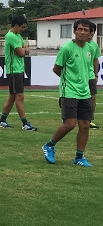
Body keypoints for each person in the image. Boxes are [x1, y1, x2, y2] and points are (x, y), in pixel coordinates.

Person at [42, 20, 95, 166]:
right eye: (80, 29)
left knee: (85, 125)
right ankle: (49, 145)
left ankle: (79, 157)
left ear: (90, 33)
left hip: (85, 92)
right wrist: (69, 81)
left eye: (85, 30)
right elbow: (56, 69)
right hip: (69, 92)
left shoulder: (90, 48)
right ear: (74, 31)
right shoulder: (67, 48)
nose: (82, 32)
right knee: (70, 124)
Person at [0, 15, 37, 131]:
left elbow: (25, 49)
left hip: (18, 69)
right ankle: (25, 123)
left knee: (13, 96)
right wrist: (24, 50)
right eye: (22, 27)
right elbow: (22, 52)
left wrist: (24, 50)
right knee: (19, 96)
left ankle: (2, 120)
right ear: (16, 25)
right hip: (14, 70)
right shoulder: (10, 36)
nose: (23, 29)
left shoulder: (18, 36)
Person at [86, 20, 100, 129]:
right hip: (79, 77)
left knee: (93, 98)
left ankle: (89, 120)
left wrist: (96, 74)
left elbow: (96, 61)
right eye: (90, 32)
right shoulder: (79, 44)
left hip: (90, 76)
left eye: (93, 32)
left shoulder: (95, 46)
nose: (91, 34)